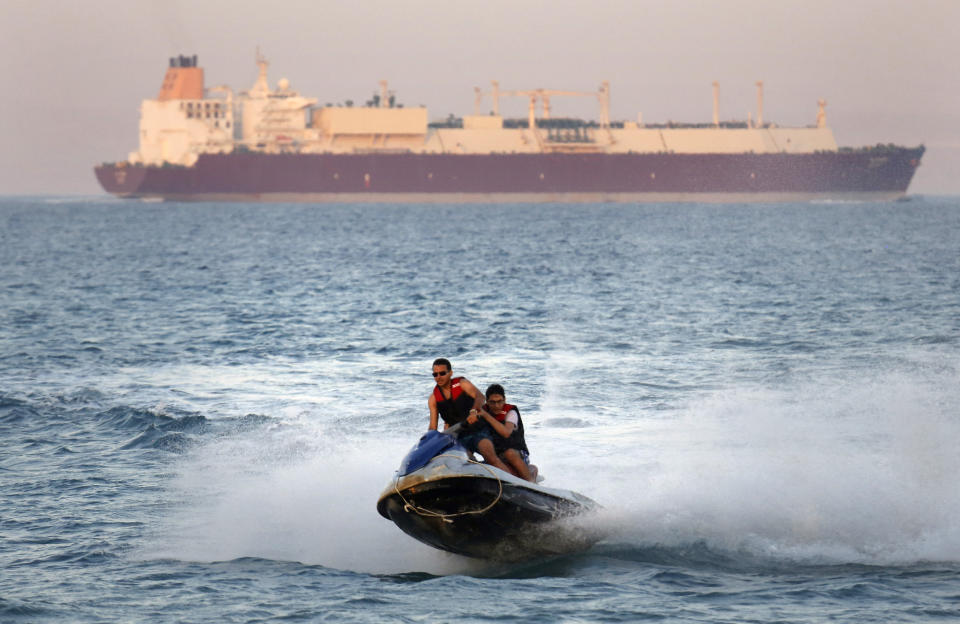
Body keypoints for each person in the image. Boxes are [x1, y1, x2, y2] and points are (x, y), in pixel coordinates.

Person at [427, 358, 513, 475]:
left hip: (478, 430)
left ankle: (516, 484)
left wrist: (474, 411)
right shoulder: (433, 399)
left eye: (442, 373)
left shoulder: (462, 384)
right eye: (435, 374)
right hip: (458, 437)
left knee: (491, 458)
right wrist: (428, 441)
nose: (438, 377)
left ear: (450, 373)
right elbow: (433, 427)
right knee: (467, 463)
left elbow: (480, 397)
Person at [474, 384, 536, 482]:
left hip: (517, 454)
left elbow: (506, 433)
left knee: (509, 453)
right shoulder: (482, 411)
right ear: (487, 402)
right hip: (496, 456)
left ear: (504, 400)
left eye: (500, 401)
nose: (497, 406)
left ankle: (531, 482)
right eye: (492, 402)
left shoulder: (511, 413)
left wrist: (486, 416)